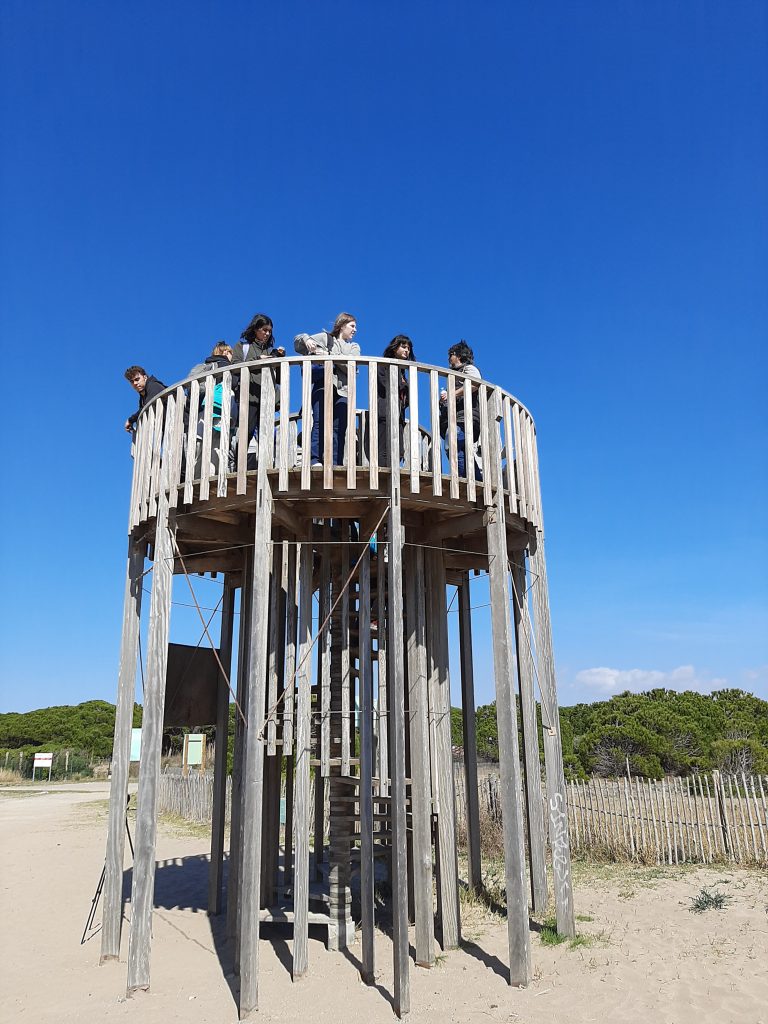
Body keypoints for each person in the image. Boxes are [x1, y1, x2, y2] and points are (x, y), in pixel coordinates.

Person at [294, 312, 360, 465]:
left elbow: (352, 365)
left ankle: (335, 462)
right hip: (322, 386)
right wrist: (307, 338)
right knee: (319, 423)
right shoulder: (325, 338)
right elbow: (298, 343)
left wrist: (328, 355)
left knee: (339, 427)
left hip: (343, 390)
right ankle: (315, 459)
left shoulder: (354, 346)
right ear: (342, 325)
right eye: (352, 326)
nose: (355, 330)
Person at [230, 313, 285, 443]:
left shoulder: (271, 351)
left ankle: (265, 463)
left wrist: (280, 360)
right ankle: (239, 463)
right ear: (256, 329)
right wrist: (257, 360)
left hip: (267, 399)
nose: (267, 334)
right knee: (246, 434)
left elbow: (279, 380)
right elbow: (234, 366)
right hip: (247, 397)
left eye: (269, 331)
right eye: (264, 330)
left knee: (267, 436)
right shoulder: (242, 347)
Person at [439, 341, 482, 480]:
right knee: (461, 449)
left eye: (450, 355)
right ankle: (476, 479)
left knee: (452, 443)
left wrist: (452, 394)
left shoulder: (469, 369)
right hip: (457, 418)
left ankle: (464, 479)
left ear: (458, 355)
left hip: (466, 418)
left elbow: (475, 383)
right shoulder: (454, 374)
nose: (448, 359)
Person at [377, 334, 415, 467]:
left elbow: (407, 398)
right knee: (384, 449)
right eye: (403, 347)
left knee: (399, 451)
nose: (407, 350)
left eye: (409, 348)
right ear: (394, 348)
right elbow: (386, 385)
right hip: (384, 413)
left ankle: (394, 476)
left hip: (399, 416)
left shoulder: (403, 372)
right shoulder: (383, 365)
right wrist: (404, 385)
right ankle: (383, 481)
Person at [124, 366, 166, 433]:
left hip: (183, 423)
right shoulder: (143, 397)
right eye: (132, 381)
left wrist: (131, 420)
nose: (135, 383)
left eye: (137, 379)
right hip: (168, 429)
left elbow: (148, 405)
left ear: (145, 377)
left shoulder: (153, 385)